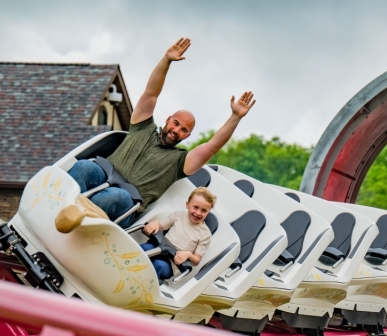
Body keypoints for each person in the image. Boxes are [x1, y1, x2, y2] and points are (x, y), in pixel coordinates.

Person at [66, 37, 255, 226]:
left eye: (183, 130)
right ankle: (63, 206)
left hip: (125, 202)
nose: (176, 130)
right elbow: (151, 94)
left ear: (187, 136)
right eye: (176, 123)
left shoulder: (180, 161)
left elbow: (212, 146)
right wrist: (166, 60)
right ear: (168, 120)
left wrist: (235, 116)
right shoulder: (143, 127)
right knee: (84, 167)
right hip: (103, 176)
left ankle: (75, 216)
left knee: (114, 196)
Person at [140, 187, 216, 280]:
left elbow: (196, 260)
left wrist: (188, 254)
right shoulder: (178, 215)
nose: (198, 213)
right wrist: (155, 223)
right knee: (142, 249)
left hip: (172, 263)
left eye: (204, 210)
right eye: (195, 207)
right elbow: (161, 226)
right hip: (159, 247)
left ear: (208, 212)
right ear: (187, 204)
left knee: (158, 265)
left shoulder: (205, 234)